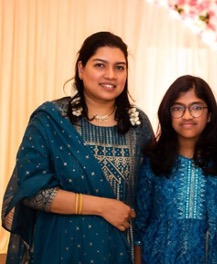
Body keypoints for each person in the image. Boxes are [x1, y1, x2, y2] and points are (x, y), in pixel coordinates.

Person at [1, 31, 154, 263]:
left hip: (119, 251)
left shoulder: (138, 124)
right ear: (81, 69)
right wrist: (102, 207)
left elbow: (149, 193)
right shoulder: (50, 119)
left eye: (120, 67)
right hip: (61, 247)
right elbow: (32, 191)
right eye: (100, 65)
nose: (111, 75)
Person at [133, 75, 217, 264]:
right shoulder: (153, 163)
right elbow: (140, 226)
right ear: (168, 115)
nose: (187, 115)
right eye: (178, 108)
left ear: (210, 115)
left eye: (196, 107)